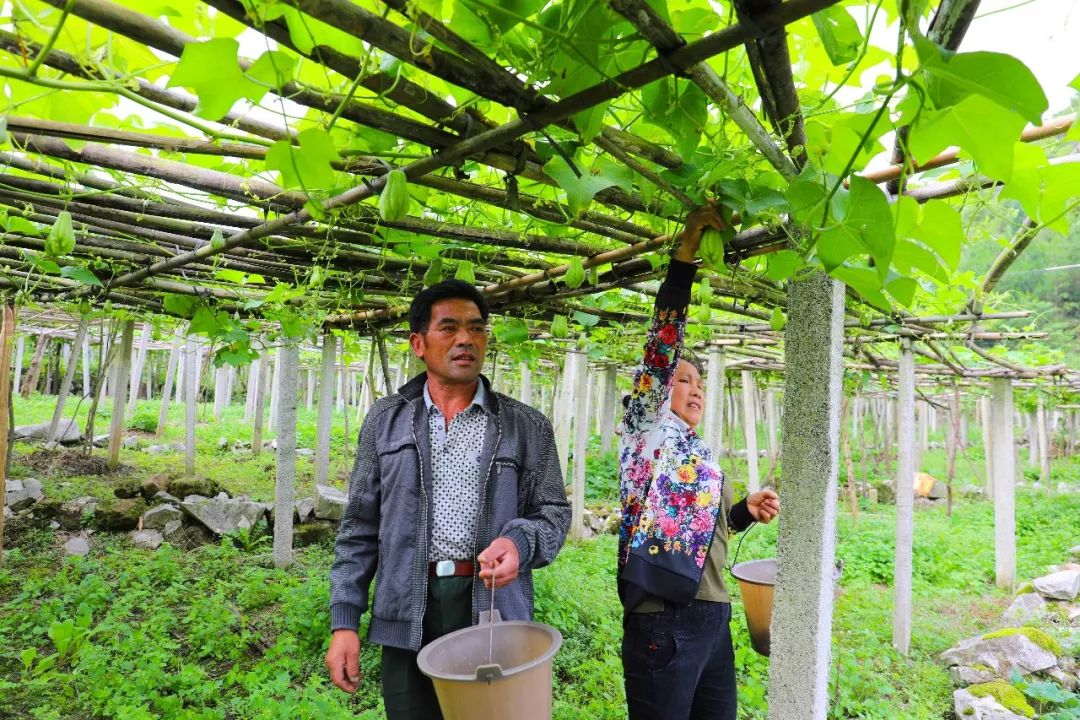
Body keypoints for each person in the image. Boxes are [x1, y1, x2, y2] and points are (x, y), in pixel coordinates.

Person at [326, 280, 571, 720]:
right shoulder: (386, 422)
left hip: (492, 613)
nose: (466, 339)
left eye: (477, 329)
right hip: (406, 608)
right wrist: (345, 623)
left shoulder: (525, 427)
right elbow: (359, 530)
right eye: (450, 328)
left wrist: (519, 543)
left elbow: (553, 513)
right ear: (418, 343)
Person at [617, 206, 781, 720]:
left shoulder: (699, 453)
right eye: (683, 379)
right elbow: (663, 344)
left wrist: (742, 511)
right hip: (664, 618)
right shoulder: (647, 432)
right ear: (660, 390)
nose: (695, 388)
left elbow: (698, 528)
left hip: (712, 613)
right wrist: (685, 256)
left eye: (700, 382)